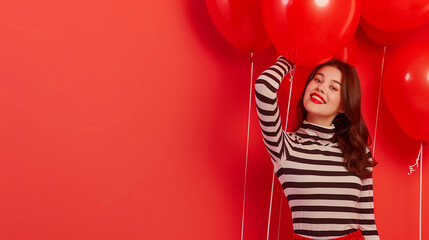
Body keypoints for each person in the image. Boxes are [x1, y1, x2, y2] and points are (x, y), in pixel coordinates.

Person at [255, 56, 379, 240]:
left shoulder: (359, 152)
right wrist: (289, 59)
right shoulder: (284, 146)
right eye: (318, 80)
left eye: (333, 87)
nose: (320, 87)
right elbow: (263, 87)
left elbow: (368, 223)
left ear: (344, 104)